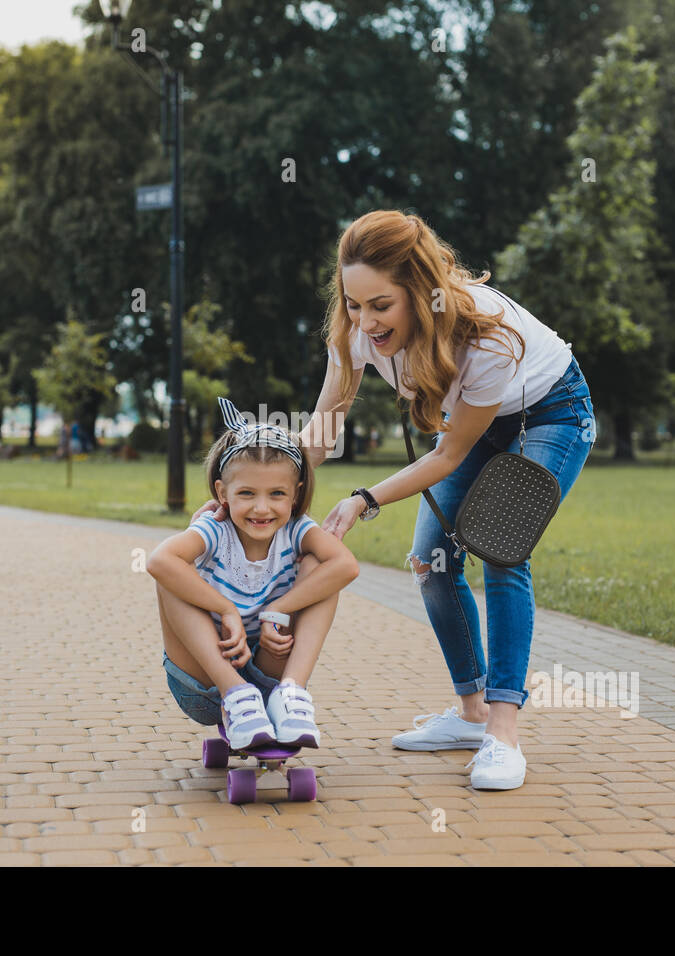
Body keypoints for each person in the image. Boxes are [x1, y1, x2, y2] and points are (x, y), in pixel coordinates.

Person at [226, 209, 594, 791]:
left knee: (500, 551)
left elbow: (447, 458)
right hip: (468, 424)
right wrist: (262, 489)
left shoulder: (483, 335)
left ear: (421, 294)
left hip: (548, 413)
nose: (365, 321)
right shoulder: (352, 334)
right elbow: (322, 432)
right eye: (353, 303)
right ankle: (471, 715)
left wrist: (363, 499)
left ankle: (503, 733)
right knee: (432, 563)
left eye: (381, 305)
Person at [148, 397, 359, 751]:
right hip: (205, 683)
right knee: (174, 571)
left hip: (267, 675)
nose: (262, 508)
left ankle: (291, 693)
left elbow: (346, 566)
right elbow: (158, 560)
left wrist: (277, 609)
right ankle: (236, 694)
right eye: (246, 493)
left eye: (277, 494)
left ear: (296, 495)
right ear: (222, 492)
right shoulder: (215, 530)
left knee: (321, 567)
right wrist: (226, 609)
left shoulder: (296, 531)